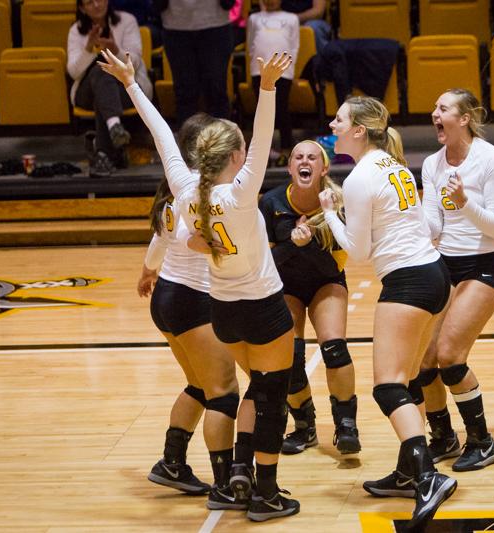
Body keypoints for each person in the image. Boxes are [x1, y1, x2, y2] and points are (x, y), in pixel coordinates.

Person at [100, 48, 300, 521]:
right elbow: (263, 133)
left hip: (225, 313)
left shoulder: (183, 190)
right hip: (261, 306)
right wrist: (268, 87)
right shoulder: (242, 191)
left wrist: (131, 83)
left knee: (240, 390)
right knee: (261, 395)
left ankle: (236, 475)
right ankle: (255, 489)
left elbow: (162, 134)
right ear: (237, 156)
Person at [319, 96, 457, 531]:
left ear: (358, 130)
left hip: (409, 281)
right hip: (434, 274)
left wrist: (329, 215)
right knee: (410, 376)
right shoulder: (394, 165)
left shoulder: (361, 177)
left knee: (387, 387)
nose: (332, 123)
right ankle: (405, 473)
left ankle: (428, 475)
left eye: (339, 119)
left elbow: (357, 252)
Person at [417, 88, 494, 472]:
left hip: (484, 261)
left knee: (450, 355)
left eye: (443, 108)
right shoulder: (431, 164)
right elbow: (433, 225)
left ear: (464, 118)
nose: (434, 114)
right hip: (445, 262)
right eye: (435, 108)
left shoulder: (491, 160)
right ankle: (443, 438)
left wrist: (464, 204)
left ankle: (482, 441)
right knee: (423, 361)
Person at [139, 173, 240, 503]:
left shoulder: (175, 195)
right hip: (192, 299)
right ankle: (225, 485)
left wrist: (147, 272)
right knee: (223, 392)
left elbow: (159, 243)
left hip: (167, 295)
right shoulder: (199, 198)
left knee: (199, 384)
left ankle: (171, 463)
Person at [258, 140, 360, 456]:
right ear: (290, 168)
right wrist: (292, 244)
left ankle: (346, 425)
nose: (305, 161)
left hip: (325, 282)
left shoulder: (338, 204)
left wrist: (309, 245)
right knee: (288, 355)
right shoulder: (271, 202)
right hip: (284, 286)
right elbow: (266, 262)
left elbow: (334, 265)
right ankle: (305, 426)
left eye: (312, 157)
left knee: (334, 347)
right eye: (297, 157)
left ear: (323, 168)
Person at [68, 0, 152, 177]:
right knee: (102, 70)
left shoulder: (127, 21)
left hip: (126, 88)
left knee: (104, 89)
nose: (96, 5)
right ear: (82, 8)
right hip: (86, 92)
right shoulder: (76, 30)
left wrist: (115, 49)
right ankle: (114, 129)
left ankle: (103, 154)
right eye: (90, 3)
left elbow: (135, 63)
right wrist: (88, 48)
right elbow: (74, 72)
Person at [160, 0, 235, 126]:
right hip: (175, 28)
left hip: (215, 26)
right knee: (185, 93)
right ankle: (187, 143)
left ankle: (221, 143)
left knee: (216, 90)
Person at [247, 0, 299, 166]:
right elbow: (250, 45)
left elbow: (294, 46)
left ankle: (286, 149)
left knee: (281, 109)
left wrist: (290, 69)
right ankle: (264, 152)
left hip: (284, 71)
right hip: (258, 70)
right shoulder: (254, 18)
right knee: (261, 110)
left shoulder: (291, 18)